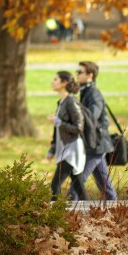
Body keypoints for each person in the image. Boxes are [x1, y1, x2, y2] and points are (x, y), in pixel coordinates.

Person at [73, 61, 119, 201]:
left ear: (90, 75)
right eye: (77, 71)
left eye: (80, 72)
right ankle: (116, 207)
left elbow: (92, 116)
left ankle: (67, 210)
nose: (77, 74)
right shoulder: (86, 91)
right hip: (94, 143)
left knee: (78, 181)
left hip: (97, 143)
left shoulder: (94, 93)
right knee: (105, 184)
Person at [45, 71, 86, 201]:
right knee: (79, 187)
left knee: (55, 185)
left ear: (64, 83)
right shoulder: (62, 102)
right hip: (65, 148)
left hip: (71, 149)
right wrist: (52, 149)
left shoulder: (71, 102)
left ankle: (54, 211)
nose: (53, 82)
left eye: (55, 79)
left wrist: (58, 121)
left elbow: (79, 128)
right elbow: (57, 131)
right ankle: (93, 210)